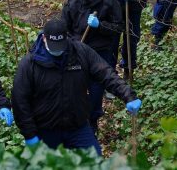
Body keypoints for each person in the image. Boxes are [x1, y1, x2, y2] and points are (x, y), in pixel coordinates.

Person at [12, 18, 142, 156]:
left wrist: (128, 95)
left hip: (77, 126)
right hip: (45, 129)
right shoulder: (29, 64)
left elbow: (105, 73)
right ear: (44, 38)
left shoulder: (80, 52)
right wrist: (29, 134)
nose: (58, 50)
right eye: (53, 45)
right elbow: (20, 101)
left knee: (94, 159)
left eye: (61, 45)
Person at [61, 0, 124, 132]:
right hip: (77, 48)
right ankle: (75, 118)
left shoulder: (110, 3)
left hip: (100, 52)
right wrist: (70, 44)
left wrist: (100, 25)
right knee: (75, 85)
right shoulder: (73, 0)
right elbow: (64, 25)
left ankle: (93, 121)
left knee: (96, 88)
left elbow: (118, 28)